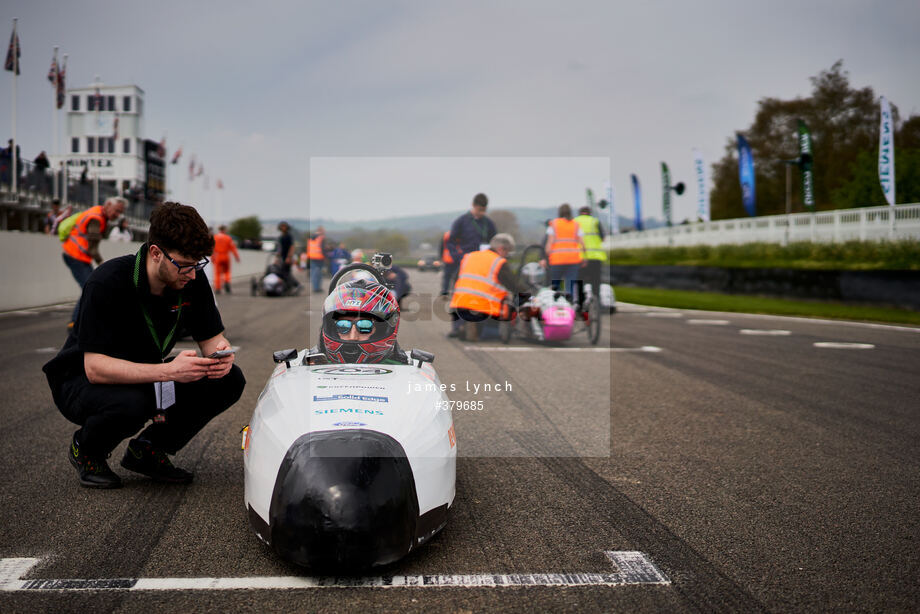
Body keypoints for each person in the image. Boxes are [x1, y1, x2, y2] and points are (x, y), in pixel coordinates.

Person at [42, 202, 245, 489]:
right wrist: (170, 372)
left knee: (229, 380)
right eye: (185, 266)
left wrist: (220, 356)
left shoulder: (192, 279)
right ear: (155, 253)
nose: (192, 274)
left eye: (199, 263)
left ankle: (148, 449)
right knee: (134, 402)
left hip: (145, 373)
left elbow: (212, 339)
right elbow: (95, 368)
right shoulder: (108, 282)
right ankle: (87, 449)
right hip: (80, 381)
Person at [448, 233, 530, 341]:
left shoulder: (470, 256)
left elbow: (455, 278)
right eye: (508, 252)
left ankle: (461, 327)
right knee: (495, 332)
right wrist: (528, 294)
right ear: (501, 249)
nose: (507, 255)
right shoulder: (499, 262)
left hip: (460, 303)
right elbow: (513, 284)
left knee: (466, 313)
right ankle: (481, 330)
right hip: (483, 307)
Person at [62, 196, 127, 327]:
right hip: (75, 255)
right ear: (108, 204)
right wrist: (103, 263)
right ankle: (75, 323)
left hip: (77, 255)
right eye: (116, 211)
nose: (118, 215)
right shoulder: (96, 219)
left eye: (120, 212)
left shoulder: (97, 213)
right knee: (89, 287)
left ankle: (80, 321)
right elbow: (92, 248)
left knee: (91, 286)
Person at [310, 278, 407, 365]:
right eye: (343, 326)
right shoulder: (309, 362)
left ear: (381, 330)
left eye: (364, 326)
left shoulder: (406, 370)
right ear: (332, 328)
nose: (353, 337)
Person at [540, 203, 586, 305]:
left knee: (556, 284)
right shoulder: (576, 225)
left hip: (557, 260)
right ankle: (569, 306)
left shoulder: (554, 224)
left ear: (559, 212)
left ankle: (556, 305)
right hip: (573, 260)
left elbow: (549, 244)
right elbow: (582, 244)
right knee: (570, 284)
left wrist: (545, 257)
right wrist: (584, 258)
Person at [446, 193, 496, 270]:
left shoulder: (489, 223)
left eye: (484, 210)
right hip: (466, 260)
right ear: (473, 205)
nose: (482, 213)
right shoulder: (461, 221)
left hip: (483, 261)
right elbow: (451, 241)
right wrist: (457, 258)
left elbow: (494, 241)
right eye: (480, 210)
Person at [573, 205, 606, 314]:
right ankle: (597, 305)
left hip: (580, 257)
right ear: (589, 213)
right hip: (595, 257)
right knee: (596, 282)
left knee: (579, 282)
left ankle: (580, 306)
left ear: (580, 213)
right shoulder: (595, 221)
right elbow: (603, 238)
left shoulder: (574, 222)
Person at [211, 224, 240, 294]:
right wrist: (237, 257)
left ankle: (218, 288)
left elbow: (212, 249)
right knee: (227, 271)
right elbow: (233, 248)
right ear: (224, 230)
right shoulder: (228, 238)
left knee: (217, 273)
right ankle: (227, 281)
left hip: (218, 256)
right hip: (226, 256)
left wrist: (212, 258)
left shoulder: (215, 237)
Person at [277, 221, 302, 294]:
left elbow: (292, 247)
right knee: (283, 273)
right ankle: (288, 287)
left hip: (288, 258)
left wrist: (289, 257)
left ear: (287, 227)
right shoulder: (281, 236)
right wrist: (278, 255)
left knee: (286, 273)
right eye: (282, 226)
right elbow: (280, 247)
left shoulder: (289, 236)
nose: (283, 228)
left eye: (284, 226)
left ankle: (296, 285)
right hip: (282, 257)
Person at [305, 226, 327, 292]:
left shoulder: (311, 237)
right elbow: (323, 249)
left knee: (314, 272)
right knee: (318, 273)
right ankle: (317, 288)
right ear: (321, 231)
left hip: (312, 257)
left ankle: (315, 287)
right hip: (319, 257)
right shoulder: (321, 238)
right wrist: (326, 256)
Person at [438, 230, 456, 296]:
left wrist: (441, 257)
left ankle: (445, 291)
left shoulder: (447, 235)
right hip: (458, 260)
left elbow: (441, 247)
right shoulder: (463, 234)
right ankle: (455, 291)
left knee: (446, 277)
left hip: (447, 259)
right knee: (457, 277)